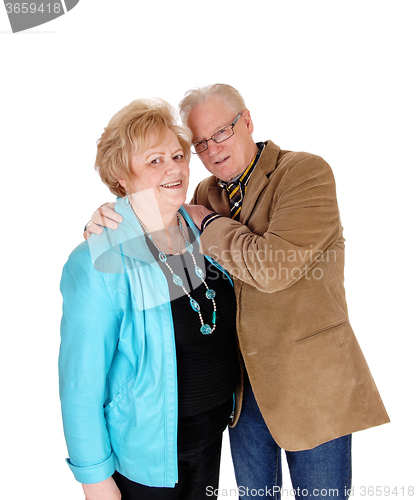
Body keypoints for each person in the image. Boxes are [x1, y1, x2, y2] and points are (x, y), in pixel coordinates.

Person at [85, 84, 390, 500]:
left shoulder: (305, 173)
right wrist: (107, 220)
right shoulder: (204, 192)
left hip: (312, 386)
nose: (212, 149)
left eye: (222, 132)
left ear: (247, 121)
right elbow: (158, 225)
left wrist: (210, 224)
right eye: (199, 144)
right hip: (243, 394)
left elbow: (268, 267)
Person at [59, 97, 240, 500]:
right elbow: (80, 383)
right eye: (154, 160)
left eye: (177, 155)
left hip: (212, 437)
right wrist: (94, 477)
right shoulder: (98, 259)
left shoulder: (203, 226)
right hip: (144, 457)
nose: (173, 168)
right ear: (122, 177)